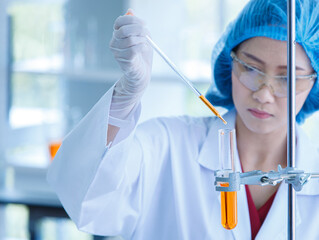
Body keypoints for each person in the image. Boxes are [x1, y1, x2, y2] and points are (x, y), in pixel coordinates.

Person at [47, 0, 319, 239]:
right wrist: (124, 97)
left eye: (287, 78)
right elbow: (86, 198)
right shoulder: (169, 145)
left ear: (314, 81)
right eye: (250, 67)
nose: (263, 93)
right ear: (230, 61)